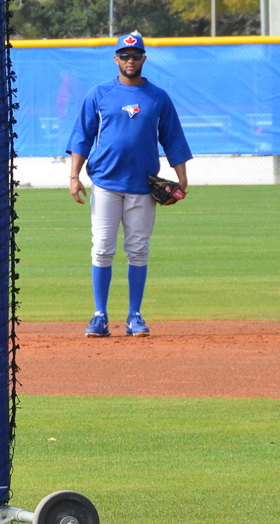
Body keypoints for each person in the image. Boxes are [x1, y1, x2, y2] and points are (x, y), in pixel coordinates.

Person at [66, 30, 192, 339]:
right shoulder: (99, 94)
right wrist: (74, 176)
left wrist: (182, 177)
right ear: (116, 59)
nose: (130, 60)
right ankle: (100, 315)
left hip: (142, 186)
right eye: (124, 55)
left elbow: (173, 138)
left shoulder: (157, 97)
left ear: (144, 59)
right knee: (102, 249)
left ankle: (135, 315)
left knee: (138, 250)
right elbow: (82, 136)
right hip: (106, 182)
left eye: (135, 55)